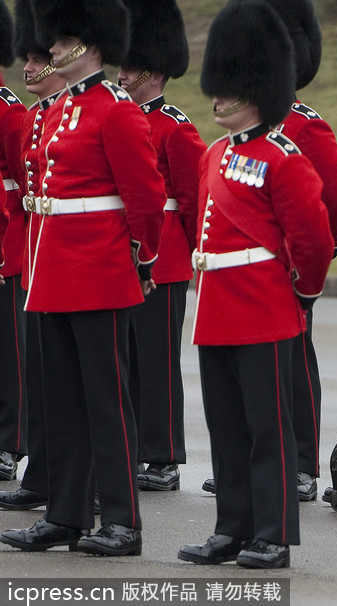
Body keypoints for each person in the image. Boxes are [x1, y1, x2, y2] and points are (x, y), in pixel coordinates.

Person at [1, 0, 165, 557]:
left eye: (64, 38)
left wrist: (141, 261)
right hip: (52, 270)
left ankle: (121, 520)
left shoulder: (116, 110)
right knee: (61, 400)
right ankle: (66, 514)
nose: (52, 49)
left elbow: (146, 198)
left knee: (107, 401)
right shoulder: (51, 111)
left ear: (91, 44)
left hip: (98, 271)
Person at [177, 0, 333, 569]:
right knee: (227, 428)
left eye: (229, 88)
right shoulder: (214, 154)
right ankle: (232, 527)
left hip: (265, 305)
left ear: (256, 88)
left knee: (269, 430)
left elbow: (312, 240)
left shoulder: (284, 157)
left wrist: (303, 294)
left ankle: (273, 532)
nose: (216, 98)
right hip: (217, 305)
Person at [201, 0, 337, 502]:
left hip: (274, 282)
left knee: (289, 380)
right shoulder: (220, 152)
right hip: (229, 291)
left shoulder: (303, 131)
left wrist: (303, 278)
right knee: (236, 407)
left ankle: (301, 463)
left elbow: (330, 203)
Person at [117, 0, 206, 493]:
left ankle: (164, 456)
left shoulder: (174, 126)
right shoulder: (123, 118)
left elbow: (192, 199)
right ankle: (133, 447)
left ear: (153, 71)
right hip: (126, 255)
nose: (124, 74)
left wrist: (192, 256)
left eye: (132, 67)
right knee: (126, 358)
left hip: (167, 259)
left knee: (156, 360)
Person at [0, 0, 67, 512]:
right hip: (35, 251)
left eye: (40, 57)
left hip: (57, 258)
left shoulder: (17, 112)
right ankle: (44, 474)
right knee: (41, 371)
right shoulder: (38, 118)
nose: (30, 67)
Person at [0, 0, 28, 485]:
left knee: (7, 349)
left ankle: (7, 442)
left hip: (4, 240)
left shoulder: (10, 112)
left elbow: (24, 185)